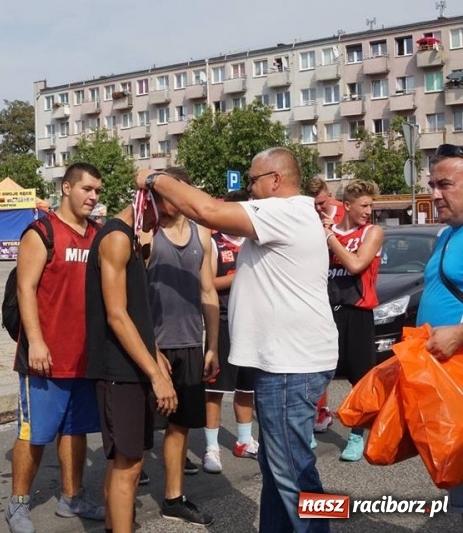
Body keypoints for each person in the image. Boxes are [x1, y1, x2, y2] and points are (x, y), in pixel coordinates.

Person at [135, 147, 338, 533]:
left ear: (276, 179)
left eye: (253, 181)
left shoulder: (285, 210)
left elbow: (207, 212)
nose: (248, 189)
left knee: (294, 472)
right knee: (279, 468)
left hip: (290, 364)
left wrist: (153, 179)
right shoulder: (292, 214)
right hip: (284, 363)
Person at [5, 163, 105, 533]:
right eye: (87, 189)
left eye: (97, 190)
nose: (93, 196)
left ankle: (72, 497)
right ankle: (17, 504)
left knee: (76, 430)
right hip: (44, 356)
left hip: (84, 356)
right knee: (35, 433)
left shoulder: (98, 234)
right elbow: (25, 289)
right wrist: (36, 341)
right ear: (66, 188)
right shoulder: (41, 232)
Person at [85, 192, 179, 533]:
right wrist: (156, 376)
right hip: (118, 370)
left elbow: (138, 312)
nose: (168, 222)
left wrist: (154, 354)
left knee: (125, 462)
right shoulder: (115, 238)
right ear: (148, 203)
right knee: (129, 466)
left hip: (133, 365)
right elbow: (116, 316)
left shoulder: (133, 239)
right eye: (167, 212)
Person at [144, 167, 218, 525]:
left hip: (189, 343)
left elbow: (208, 291)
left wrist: (212, 345)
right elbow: (130, 299)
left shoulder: (201, 235)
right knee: (139, 429)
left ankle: (173, 498)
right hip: (150, 347)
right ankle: (126, 485)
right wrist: (149, 348)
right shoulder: (145, 234)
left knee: (180, 427)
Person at [416, 144, 463, 517]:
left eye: (443, 184)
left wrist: (459, 333)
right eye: (432, 184)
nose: (434, 193)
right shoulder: (446, 235)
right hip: (449, 385)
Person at [324, 180, 383, 461]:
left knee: (360, 380)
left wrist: (330, 239)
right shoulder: (327, 231)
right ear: (347, 206)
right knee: (318, 373)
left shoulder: (372, 232)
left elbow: (357, 264)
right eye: (364, 206)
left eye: (371, 205)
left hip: (358, 312)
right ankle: (308, 429)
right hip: (328, 310)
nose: (369, 211)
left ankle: (357, 436)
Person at [203, 189, 258, 474]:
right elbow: (208, 283)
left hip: (250, 320)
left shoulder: (254, 241)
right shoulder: (214, 243)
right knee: (215, 388)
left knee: (246, 385)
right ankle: (211, 447)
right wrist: (238, 277)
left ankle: (244, 440)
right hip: (223, 318)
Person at [305, 177, 344, 436]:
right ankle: (320, 410)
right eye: (314, 204)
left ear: (329, 195)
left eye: (321, 203)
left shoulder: (342, 212)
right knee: (317, 354)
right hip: (316, 288)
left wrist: (332, 231)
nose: (318, 208)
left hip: (343, 289)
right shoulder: (308, 214)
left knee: (339, 357)